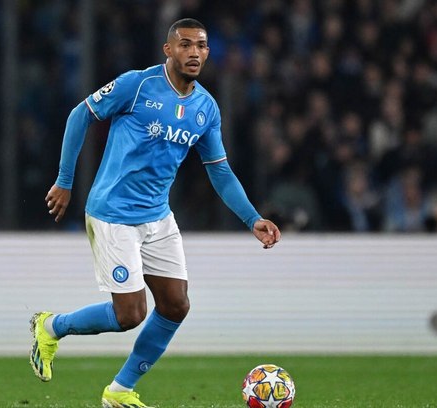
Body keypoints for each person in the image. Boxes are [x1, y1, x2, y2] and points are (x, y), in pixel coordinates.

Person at [29, 18, 281, 408]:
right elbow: (79, 115)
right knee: (129, 314)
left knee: (176, 304)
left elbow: (220, 171)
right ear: (168, 50)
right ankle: (50, 326)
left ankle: (119, 390)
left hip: (157, 217)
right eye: (185, 44)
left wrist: (252, 218)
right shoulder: (137, 85)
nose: (194, 52)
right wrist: (64, 180)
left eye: (201, 45)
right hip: (113, 214)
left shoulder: (206, 108)